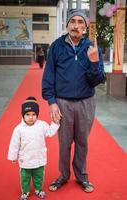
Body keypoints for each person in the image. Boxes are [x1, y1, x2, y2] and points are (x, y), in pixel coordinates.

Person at [42, 8, 105, 193]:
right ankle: (63, 175)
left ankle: (82, 176)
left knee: (82, 142)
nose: (75, 26)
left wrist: (94, 61)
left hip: (86, 102)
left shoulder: (92, 48)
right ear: (67, 24)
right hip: (63, 102)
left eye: (80, 22)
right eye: (72, 22)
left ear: (85, 27)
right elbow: (48, 76)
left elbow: (97, 80)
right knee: (64, 142)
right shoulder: (56, 46)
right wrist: (52, 102)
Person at [8, 96, 60, 200]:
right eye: (27, 114)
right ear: (23, 115)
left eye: (33, 114)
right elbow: (14, 144)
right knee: (25, 178)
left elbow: (50, 132)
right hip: (25, 159)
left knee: (39, 177)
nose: (31, 117)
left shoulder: (42, 125)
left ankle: (38, 189)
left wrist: (55, 122)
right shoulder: (18, 129)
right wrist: (12, 156)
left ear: (37, 115)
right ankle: (25, 192)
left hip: (38, 158)